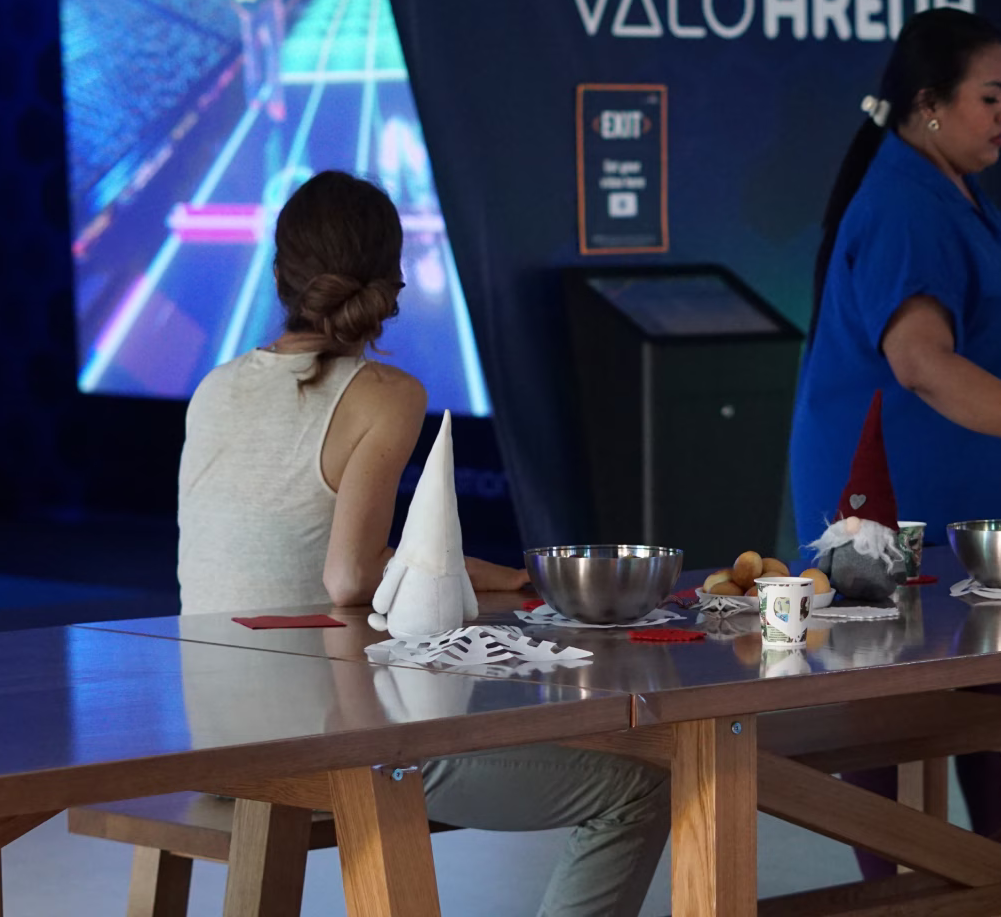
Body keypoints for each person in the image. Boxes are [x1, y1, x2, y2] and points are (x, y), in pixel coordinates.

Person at [178, 170, 667, 917]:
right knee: (639, 786)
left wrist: (492, 577)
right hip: (328, 743)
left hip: (216, 740)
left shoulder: (213, 387)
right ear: (392, 278)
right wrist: (504, 579)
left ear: (281, 274)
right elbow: (350, 577)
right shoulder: (386, 394)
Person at [788, 7, 1001, 877]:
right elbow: (922, 363)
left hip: (977, 511)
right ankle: (921, 895)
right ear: (929, 104)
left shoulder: (951, 191)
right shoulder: (905, 203)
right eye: (991, 96)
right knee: (897, 726)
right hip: (905, 518)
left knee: (988, 717)